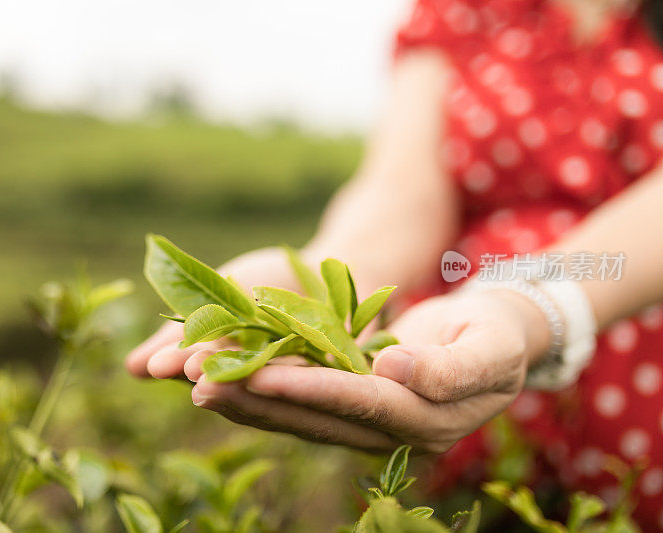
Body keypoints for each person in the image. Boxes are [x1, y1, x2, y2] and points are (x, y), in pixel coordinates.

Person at [127, 0, 663, 527]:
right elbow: (404, 192)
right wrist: (331, 275)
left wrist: (533, 304)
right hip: (463, 349)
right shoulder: (467, 8)